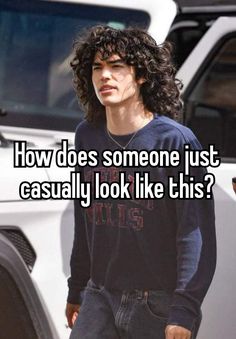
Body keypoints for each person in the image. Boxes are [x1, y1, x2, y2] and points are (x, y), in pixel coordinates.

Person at [65, 25, 216, 339]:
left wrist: (184, 310)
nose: (104, 76)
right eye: (97, 68)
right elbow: (85, 219)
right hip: (100, 296)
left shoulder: (176, 142)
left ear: (142, 75)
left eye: (117, 66)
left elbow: (194, 234)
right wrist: (77, 287)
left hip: (157, 304)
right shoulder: (87, 135)